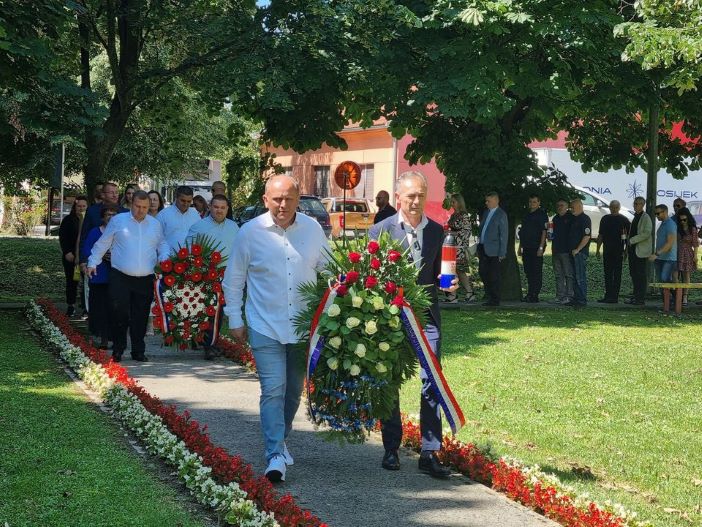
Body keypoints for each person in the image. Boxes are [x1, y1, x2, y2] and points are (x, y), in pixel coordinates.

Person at [223, 175, 329, 483]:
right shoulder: (249, 232)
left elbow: (330, 270)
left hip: (302, 327)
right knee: (273, 389)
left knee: (293, 391)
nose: (283, 205)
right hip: (264, 323)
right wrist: (235, 319)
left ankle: (281, 437)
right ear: (265, 199)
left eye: (289, 198)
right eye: (277, 199)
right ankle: (274, 454)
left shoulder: (312, 230)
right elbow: (234, 280)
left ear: (298, 199)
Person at [370, 171, 459, 479]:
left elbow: (439, 274)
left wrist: (450, 284)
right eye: (410, 196)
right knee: (390, 379)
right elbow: (372, 277)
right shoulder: (380, 231)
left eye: (421, 195)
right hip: (392, 317)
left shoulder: (437, 231)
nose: (416, 201)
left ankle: (430, 452)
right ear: (398, 198)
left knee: (432, 380)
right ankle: (391, 448)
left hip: (428, 319)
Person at [87, 191, 170, 362]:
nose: (141, 210)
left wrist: (164, 258)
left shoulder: (155, 224)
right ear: (131, 204)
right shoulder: (118, 221)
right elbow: (103, 243)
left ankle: (138, 350)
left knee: (140, 315)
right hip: (120, 276)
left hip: (145, 277)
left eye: (145, 207)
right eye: (138, 206)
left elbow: (162, 244)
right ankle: (118, 349)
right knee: (119, 313)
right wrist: (92, 262)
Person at [187, 194, 240, 359]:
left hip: (228, 275)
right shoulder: (198, 227)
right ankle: (207, 343)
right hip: (205, 274)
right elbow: (189, 249)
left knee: (220, 312)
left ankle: (211, 342)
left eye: (223, 208)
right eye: (216, 207)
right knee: (208, 311)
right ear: (210, 207)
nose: (219, 210)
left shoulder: (234, 227)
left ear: (227, 209)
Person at [81, 205, 118, 348]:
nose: (111, 217)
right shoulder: (95, 232)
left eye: (114, 214)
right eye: (108, 214)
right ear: (103, 217)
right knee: (101, 309)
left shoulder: (121, 232)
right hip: (99, 276)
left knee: (115, 309)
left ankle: (116, 338)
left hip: (116, 276)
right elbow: (88, 250)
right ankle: (103, 337)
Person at [595, 200, 630, 303]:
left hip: (618, 250)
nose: (613, 209)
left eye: (616, 207)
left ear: (619, 208)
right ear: (609, 207)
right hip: (607, 250)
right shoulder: (605, 219)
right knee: (607, 273)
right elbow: (600, 235)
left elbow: (627, 238)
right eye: (612, 207)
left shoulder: (624, 220)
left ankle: (614, 297)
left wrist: (626, 251)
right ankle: (608, 295)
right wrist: (597, 249)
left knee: (617, 274)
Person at [59, 196, 89, 316]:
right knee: (71, 282)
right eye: (79, 206)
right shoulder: (68, 220)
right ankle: (70, 305)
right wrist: (67, 252)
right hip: (70, 256)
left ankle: (86, 308)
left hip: (85, 257)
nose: (81, 208)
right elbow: (63, 237)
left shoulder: (89, 221)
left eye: (83, 206)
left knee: (86, 283)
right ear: (74, 207)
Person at [477, 191, 508, 306]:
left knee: (494, 275)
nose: (486, 203)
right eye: (486, 200)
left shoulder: (501, 214)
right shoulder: (486, 213)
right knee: (483, 272)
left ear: (496, 200)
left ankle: (495, 299)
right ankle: (489, 296)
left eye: (489, 201)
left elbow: (503, 235)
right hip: (483, 247)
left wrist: (502, 252)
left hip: (494, 250)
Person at [446, 193, 476, 303]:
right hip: (450, 246)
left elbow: (467, 232)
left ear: (459, 202)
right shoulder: (453, 215)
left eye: (454, 202)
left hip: (459, 247)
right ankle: (453, 294)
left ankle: (469, 292)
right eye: (451, 202)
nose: (452, 204)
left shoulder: (464, 216)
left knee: (459, 270)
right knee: (451, 270)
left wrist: (453, 234)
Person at [518, 194, 548, 303]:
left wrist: (541, 247)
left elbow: (544, 232)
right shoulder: (526, 215)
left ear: (539, 203)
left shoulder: (542, 215)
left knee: (536, 271)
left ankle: (535, 295)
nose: (532, 204)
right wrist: (520, 247)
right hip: (526, 246)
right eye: (530, 201)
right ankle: (530, 293)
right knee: (528, 271)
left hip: (536, 247)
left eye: (534, 202)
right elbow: (523, 232)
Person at [156, 185, 200, 253]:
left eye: (189, 201)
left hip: (191, 258)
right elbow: (157, 238)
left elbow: (199, 235)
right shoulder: (163, 215)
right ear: (176, 197)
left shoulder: (195, 215)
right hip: (169, 259)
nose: (185, 204)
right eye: (183, 200)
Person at [626, 197, 653, 306]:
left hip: (640, 251)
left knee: (640, 275)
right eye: (635, 203)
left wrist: (632, 240)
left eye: (638, 204)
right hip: (633, 250)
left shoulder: (645, 217)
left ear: (643, 205)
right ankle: (635, 296)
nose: (636, 205)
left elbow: (647, 233)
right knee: (634, 274)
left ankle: (640, 298)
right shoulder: (635, 217)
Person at [566, 198, 591, 307]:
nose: (571, 209)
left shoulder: (585, 219)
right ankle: (576, 298)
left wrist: (578, 249)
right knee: (574, 276)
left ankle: (581, 300)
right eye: (571, 207)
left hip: (579, 253)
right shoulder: (573, 218)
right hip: (572, 252)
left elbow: (586, 236)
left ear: (580, 206)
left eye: (573, 207)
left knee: (580, 276)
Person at [551, 199, 574, 304]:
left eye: (562, 205)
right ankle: (560, 295)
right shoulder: (555, 218)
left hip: (566, 251)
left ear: (567, 206)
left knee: (568, 274)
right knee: (558, 274)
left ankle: (569, 296)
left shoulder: (571, 218)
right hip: (556, 250)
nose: (559, 207)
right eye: (558, 205)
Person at [675, 207, 698, 306]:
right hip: (677, 252)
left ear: (688, 218)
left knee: (686, 275)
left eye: (684, 219)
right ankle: (676, 295)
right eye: (680, 220)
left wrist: (695, 256)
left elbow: (696, 243)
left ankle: (685, 296)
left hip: (688, 253)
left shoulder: (692, 229)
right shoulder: (677, 228)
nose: (682, 221)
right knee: (675, 275)